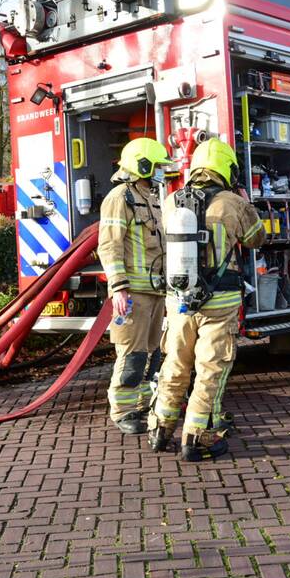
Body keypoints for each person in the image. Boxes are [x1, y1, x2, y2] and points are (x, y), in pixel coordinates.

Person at [148, 137, 266, 462]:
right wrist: (244, 201)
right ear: (226, 169)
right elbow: (257, 238)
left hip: (179, 299)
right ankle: (198, 437)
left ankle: (160, 428)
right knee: (210, 368)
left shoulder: (172, 201)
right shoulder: (232, 202)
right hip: (220, 300)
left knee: (175, 362)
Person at [97, 137, 171, 435]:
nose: (161, 172)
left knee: (151, 353)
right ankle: (123, 410)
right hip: (132, 293)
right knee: (132, 354)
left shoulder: (151, 198)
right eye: (157, 167)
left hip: (154, 291)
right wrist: (118, 288)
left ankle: (141, 405)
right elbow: (109, 246)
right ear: (142, 165)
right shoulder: (119, 198)